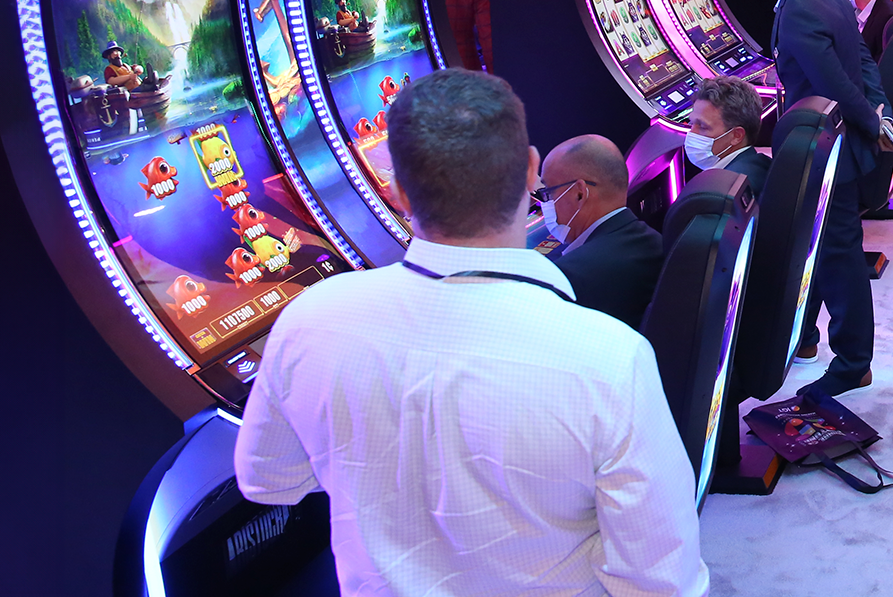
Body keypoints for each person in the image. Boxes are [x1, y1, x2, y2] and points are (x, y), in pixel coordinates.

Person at [237, 69, 708, 596]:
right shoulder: (610, 356)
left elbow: (268, 480)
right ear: (531, 171)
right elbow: (662, 579)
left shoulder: (308, 319)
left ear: (398, 194)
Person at [760, 0, 886, 397]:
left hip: (827, 146)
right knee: (813, 245)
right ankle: (805, 336)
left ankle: (854, 361)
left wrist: (874, 120)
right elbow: (862, 60)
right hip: (832, 138)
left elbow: (834, 80)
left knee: (837, 253)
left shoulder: (799, 7)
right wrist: (879, 110)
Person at [542, 133, 662, 329]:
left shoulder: (570, 276)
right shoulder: (655, 241)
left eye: (548, 192)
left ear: (580, 193)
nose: (546, 204)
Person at [688, 75, 771, 191]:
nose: (692, 133)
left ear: (737, 135)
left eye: (702, 126)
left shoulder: (722, 191)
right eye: (691, 123)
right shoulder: (758, 163)